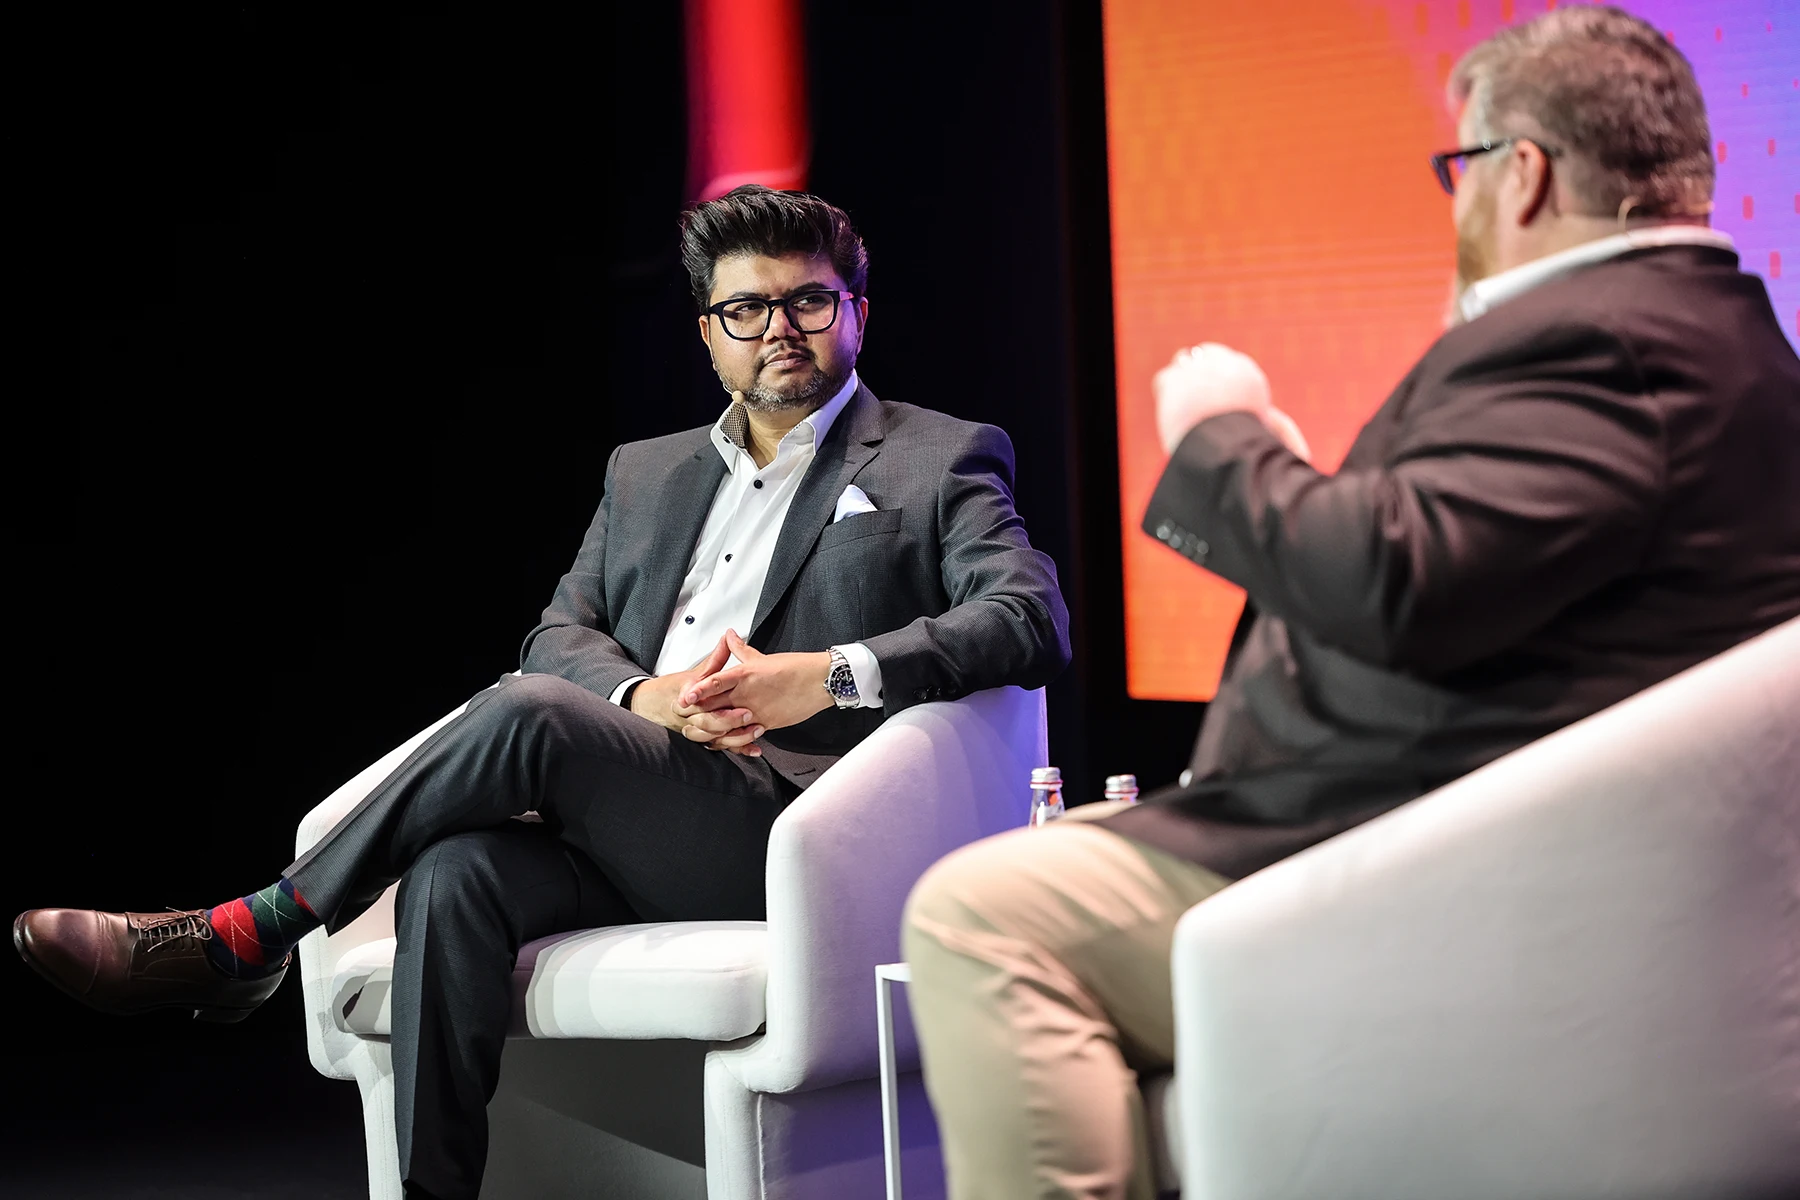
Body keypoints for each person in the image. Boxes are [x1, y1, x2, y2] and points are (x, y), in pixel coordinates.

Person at [14, 184, 1071, 1199]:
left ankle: (251, 934)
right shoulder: (646, 472)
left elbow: (1028, 617)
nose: (780, 327)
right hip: (642, 812)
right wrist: (642, 700)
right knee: (454, 874)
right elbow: (558, 634)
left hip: (792, 831)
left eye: (809, 299)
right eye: (746, 307)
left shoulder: (939, 458)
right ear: (709, 330)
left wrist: (827, 675)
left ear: (856, 311)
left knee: (526, 709)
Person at [902, 8, 1800, 1199]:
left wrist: (1221, 436)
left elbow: (1394, 584)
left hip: (1425, 860)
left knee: (983, 914)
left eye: (1459, 168)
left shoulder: (1604, 345)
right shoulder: (1704, 339)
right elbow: (1458, 567)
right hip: (1489, 835)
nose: (1457, 205)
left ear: (1521, 173)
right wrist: (1299, 480)